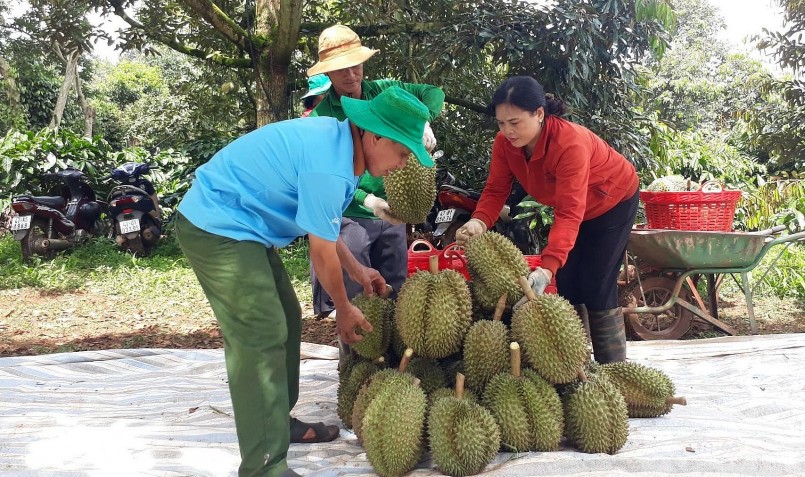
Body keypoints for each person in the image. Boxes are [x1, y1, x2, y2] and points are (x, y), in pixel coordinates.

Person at [175, 86, 434, 477]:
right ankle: (264, 466)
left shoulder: (343, 153)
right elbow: (320, 253)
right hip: (217, 225)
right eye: (401, 153)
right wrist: (343, 308)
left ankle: (277, 422)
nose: (401, 164)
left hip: (246, 227)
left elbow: (324, 231)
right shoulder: (330, 165)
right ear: (376, 136)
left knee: (288, 318)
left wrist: (357, 272)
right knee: (261, 331)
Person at [455, 76, 639, 364]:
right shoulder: (505, 144)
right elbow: (495, 189)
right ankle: (576, 364)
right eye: (501, 123)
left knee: (596, 284)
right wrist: (479, 221)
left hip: (612, 200)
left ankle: (612, 370)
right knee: (567, 283)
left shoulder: (569, 143)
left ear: (539, 114)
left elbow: (568, 212)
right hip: (574, 209)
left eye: (515, 122)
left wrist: (546, 267)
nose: (507, 131)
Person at [306, 24, 445, 319]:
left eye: (355, 65)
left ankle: (393, 360)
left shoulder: (385, 93)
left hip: (392, 214)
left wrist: (422, 120)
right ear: (328, 73)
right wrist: (366, 200)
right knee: (358, 293)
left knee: (395, 288)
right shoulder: (321, 118)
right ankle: (354, 361)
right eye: (341, 69)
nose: (351, 74)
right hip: (352, 215)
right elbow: (322, 182)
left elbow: (432, 93)